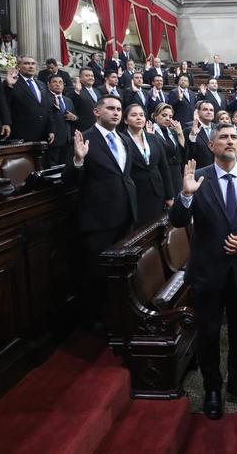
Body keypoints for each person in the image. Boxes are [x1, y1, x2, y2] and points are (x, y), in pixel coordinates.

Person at [168, 127, 237, 419]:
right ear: (211, 144)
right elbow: (177, 220)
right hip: (208, 271)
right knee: (209, 333)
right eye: (223, 137)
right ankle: (212, 388)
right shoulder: (197, 178)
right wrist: (186, 195)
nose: (230, 141)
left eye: (233, 138)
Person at [63, 95, 138, 333]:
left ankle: (120, 316)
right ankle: (96, 320)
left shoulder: (124, 139)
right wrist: (78, 160)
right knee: (97, 274)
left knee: (123, 273)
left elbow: (125, 176)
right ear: (96, 111)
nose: (116, 113)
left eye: (119, 109)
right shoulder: (84, 138)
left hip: (125, 215)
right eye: (110, 108)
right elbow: (69, 180)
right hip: (99, 221)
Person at [121, 103, 174, 225]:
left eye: (141, 115)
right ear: (125, 120)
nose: (139, 118)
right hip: (135, 194)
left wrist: (169, 195)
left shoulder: (154, 138)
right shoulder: (121, 140)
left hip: (157, 192)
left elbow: (164, 167)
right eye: (134, 115)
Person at [4, 56, 54, 144]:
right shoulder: (11, 82)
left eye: (33, 64)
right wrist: (8, 86)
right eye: (26, 63)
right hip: (20, 136)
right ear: (18, 67)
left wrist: (51, 130)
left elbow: (48, 109)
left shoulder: (42, 85)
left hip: (42, 136)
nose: (31, 66)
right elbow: (5, 104)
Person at [152, 102, 185, 193]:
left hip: (176, 174)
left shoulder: (173, 132)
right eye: (164, 115)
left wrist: (180, 133)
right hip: (162, 173)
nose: (167, 119)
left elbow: (181, 153)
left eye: (170, 117)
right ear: (155, 116)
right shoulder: (150, 131)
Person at [47, 75, 76, 166]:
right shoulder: (45, 98)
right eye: (54, 82)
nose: (58, 84)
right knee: (53, 168)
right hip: (54, 140)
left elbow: (76, 117)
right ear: (49, 85)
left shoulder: (68, 100)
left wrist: (74, 117)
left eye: (60, 82)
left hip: (68, 140)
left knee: (65, 167)